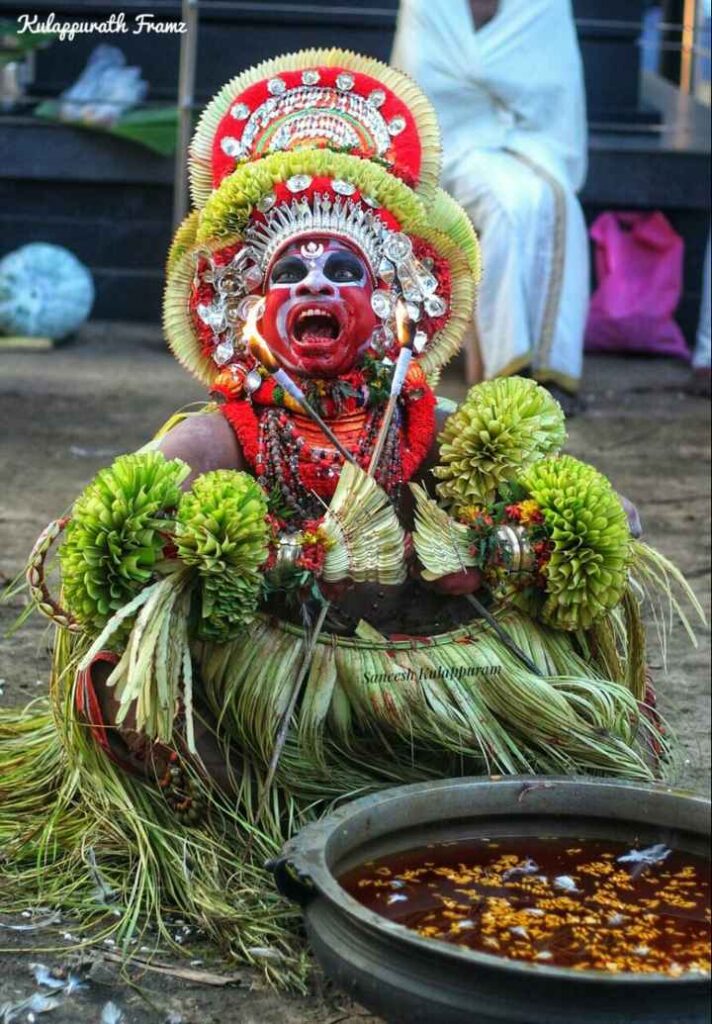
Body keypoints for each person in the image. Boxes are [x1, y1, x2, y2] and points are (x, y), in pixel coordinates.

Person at [0, 49, 694, 983]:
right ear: (249, 306)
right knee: (129, 659)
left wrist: (534, 536)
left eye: (342, 267)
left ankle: (529, 769)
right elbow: (103, 524)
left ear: (393, 298)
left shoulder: (435, 424)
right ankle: (226, 819)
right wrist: (206, 551)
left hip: (441, 672)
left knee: (591, 618)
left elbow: (608, 510)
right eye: (292, 271)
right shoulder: (229, 430)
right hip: (279, 691)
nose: (319, 284)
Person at [391, 0, 590, 413]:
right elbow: (422, 81)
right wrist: (493, 84)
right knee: (509, 204)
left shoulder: (544, 6)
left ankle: (554, 370)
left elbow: (554, 85)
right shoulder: (428, 5)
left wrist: (483, 82)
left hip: (531, 141)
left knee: (558, 203)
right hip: (456, 144)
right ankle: (509, 369)